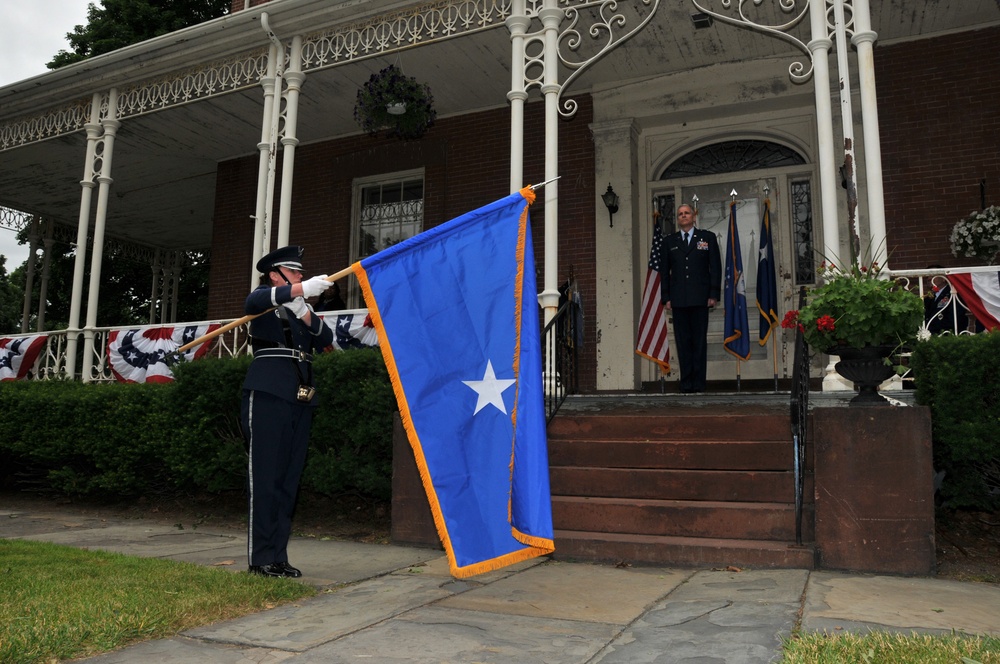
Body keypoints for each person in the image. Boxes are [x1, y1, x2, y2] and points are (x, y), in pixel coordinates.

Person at [241, 245, 335, 578]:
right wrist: (297, 292)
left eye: (299, 273)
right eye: (294, 273)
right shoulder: (264, 298)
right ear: (275, 274)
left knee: (287, 480)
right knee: (266, 478)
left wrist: (303, 308)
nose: (300, 277)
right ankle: (260, 558)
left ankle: (278, 556)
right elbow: (253, 303)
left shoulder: (297, 308)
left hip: (300, 395)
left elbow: (326, 337)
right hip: (268, 392)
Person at [660, 204, 721, 393]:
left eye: (687, 213)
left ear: (694, 216)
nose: (683, 216)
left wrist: (713, 294)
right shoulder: (669, 241)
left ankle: (699, 383)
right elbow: (664, 272)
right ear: (677, 219)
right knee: (683, 342)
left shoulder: (707, 238)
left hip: (701, 299)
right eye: (680, 214)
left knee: (699, 341)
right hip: (678, 300)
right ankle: (686, 383)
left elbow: (715, 267)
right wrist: (666, 297)